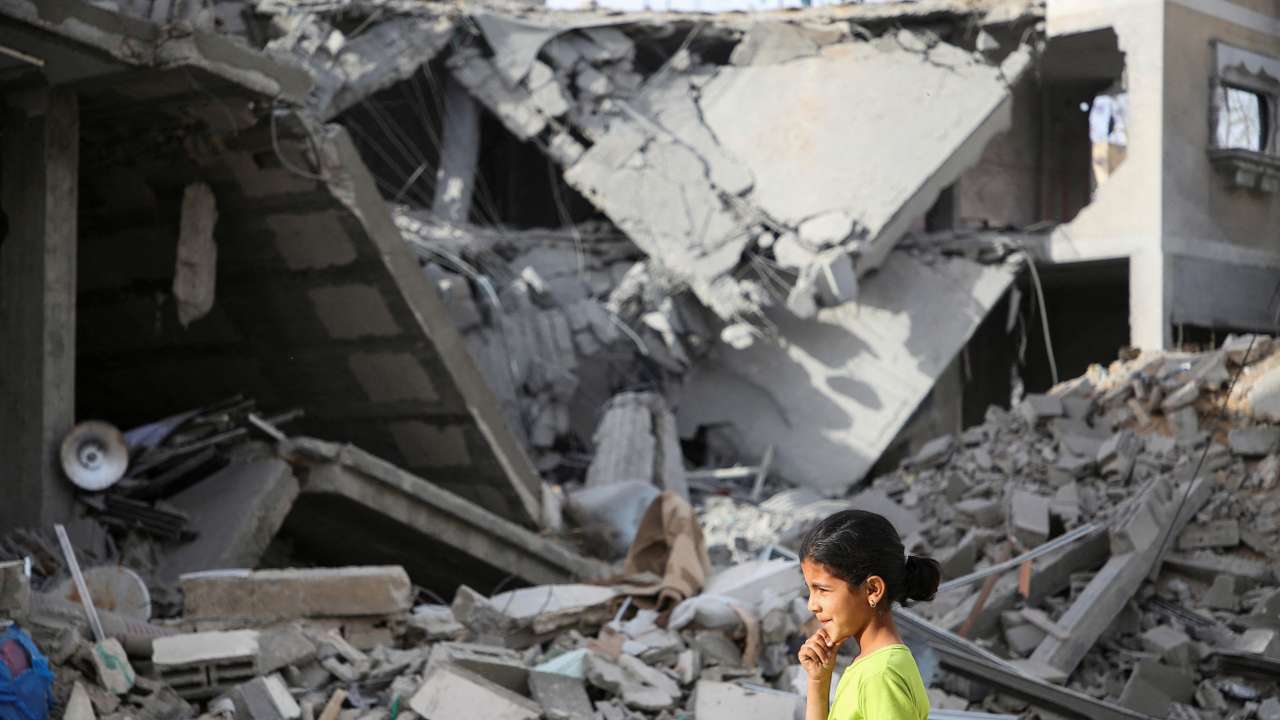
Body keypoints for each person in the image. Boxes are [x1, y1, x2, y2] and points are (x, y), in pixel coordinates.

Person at [796, 509, 941, 720]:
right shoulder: (870, 665)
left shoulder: (881, 675)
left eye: (823, 590)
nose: (812, 605)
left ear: (872, 590)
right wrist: (818, 681)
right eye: (810, 590)